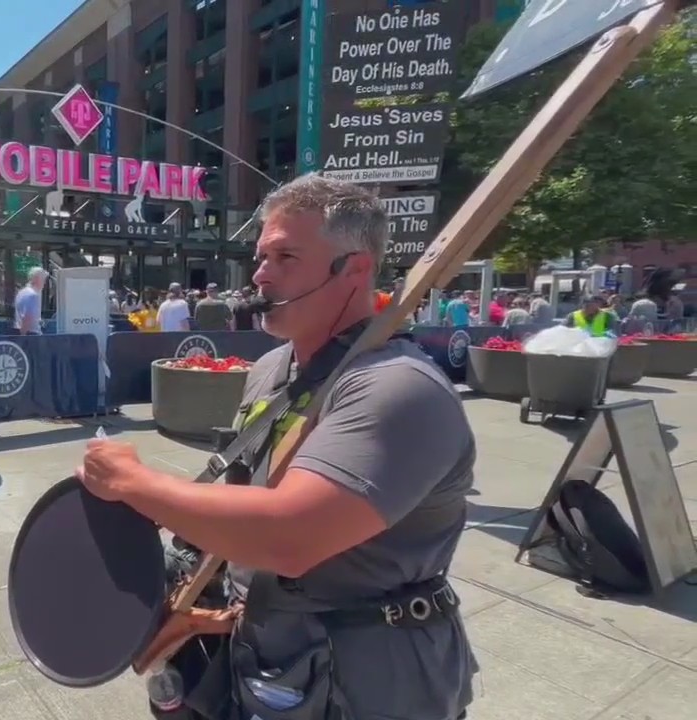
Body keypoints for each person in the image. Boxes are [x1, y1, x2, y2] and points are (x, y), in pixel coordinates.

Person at [77, 174, 476, 720]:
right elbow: (246, 494)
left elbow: (291, 536)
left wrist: (133, 484)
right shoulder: (272, 367)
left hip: (370, 678)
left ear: (355, 269)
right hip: (267, 657)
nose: (260, 274)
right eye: (261, 256)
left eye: (286, 257)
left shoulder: (396, 387)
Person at [15, 266, 47, 335]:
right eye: (43, 279)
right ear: (36, 279)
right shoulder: (32, 295)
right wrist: (23, 337)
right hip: (31, 336)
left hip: (22, 332)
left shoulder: (21, 293)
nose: (44, 283)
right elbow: (27, 317)